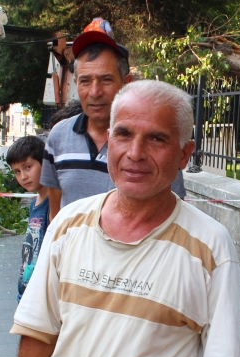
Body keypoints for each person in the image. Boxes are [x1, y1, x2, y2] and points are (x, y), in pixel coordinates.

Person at [8, 80, 240, 357]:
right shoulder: (68, 225)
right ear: (110, 142)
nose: (135, 153)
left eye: (157, 138)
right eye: (123, 134)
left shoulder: (210, 244)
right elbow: (39, 328)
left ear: (184, 154)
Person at [41, 18, 187, 220]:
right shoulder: (58, 137)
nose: (95, 92)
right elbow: (55, 211)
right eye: (85, 81)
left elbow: (173, 209)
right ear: (76, 83)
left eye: (106, 80)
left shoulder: (150, 144)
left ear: (126, 82)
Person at [5, 136, 56, 357]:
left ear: (45, 164)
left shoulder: (52, 199)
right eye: (17, 171)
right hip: (26, 294)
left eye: (28, 167)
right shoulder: (36, 199)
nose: (23, 176)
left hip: (42, 297)